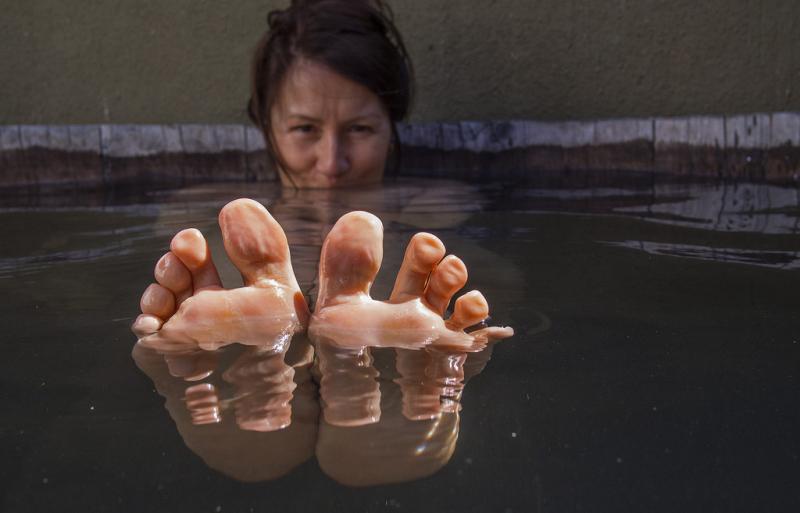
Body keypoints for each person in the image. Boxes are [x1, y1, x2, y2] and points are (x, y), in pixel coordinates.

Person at [132, 0, 512, 345]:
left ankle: (224, 371)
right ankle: (412, 371)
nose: (332, 163)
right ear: (267, 126)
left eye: (359, 129)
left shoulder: (442, 205)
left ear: (391, 124)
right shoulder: (197, 207)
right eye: (305, 129)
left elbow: (508, 284)